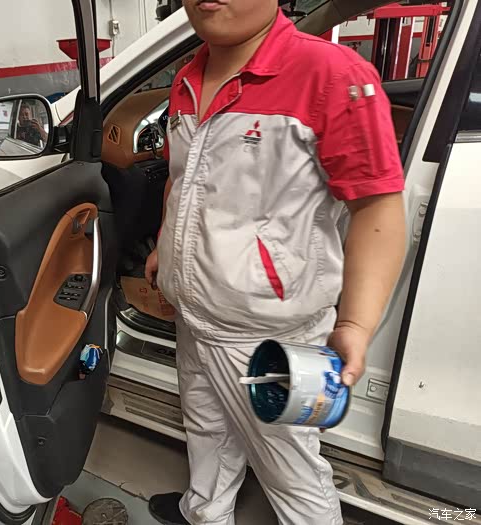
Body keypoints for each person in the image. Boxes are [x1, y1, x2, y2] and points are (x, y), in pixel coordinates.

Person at [144, 1, 406, 524]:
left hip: (270, 333)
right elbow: (185, 177)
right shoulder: (189, 76)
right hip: (196, 318)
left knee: (289, 469)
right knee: (207, 429)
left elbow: (377, 207)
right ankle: (205, 512)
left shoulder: (331, 75)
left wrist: (355, 323)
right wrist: (164, 246)